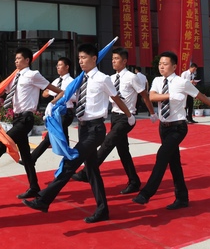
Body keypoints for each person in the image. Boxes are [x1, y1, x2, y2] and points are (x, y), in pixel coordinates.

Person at [22, 43, 135, 223]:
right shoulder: (80, 80)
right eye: (79, 58)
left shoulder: (103, 79)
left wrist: (129, 115)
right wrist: (52, 104)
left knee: (70, 163)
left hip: (95, 129)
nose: (80, 61)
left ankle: (43, 199)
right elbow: (67, 93)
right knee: (92, 171)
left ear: (94, 58)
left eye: (84, 58)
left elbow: (116, 98)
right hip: (83, 128)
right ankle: (103, 209)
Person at [0, 47, 62, 199]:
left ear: (27, 60)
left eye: (18, 58)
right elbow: (0, 91)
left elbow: (58, 91)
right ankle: (34, 187)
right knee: (26, 155)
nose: (15, 61)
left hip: (26, 119)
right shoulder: (14, 77)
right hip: (16, 119)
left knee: (1, 144)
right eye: (15, 59)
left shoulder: (33, 75)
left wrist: (52, 103)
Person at [132, 51, 210, 210]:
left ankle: (146, 193)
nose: (161, 67)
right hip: (163, 127)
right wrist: (170, 96)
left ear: (174, 66)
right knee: (174, 163)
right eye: (160, 64)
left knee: (162, 155)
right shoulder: (157, 80)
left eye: (165, 64)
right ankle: (182, 198)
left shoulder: (182, 82)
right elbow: (152, 97)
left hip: (178, 127)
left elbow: (198, 95)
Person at [71, 48, 156, 195]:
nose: (113, 61)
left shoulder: (132, 77)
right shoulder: (109, 78)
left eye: (116, 59)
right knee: (123, 151)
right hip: (115, 117)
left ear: (124, 61)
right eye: (112, 59)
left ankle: (86, 172)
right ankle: (134, 182)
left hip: (126, 118)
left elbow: (144, 95)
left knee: (107, 142)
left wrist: (152, 113)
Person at [28, 57, 75, 165]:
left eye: (60, 65)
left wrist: (57, 94)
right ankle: (70, 162)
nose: (57, 67)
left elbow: (72, 97)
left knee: (51, 135)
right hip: (55, 112)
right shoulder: (56, 81)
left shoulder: (71, 81)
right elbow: (45, 93)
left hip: (65, 112)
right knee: (63, 136)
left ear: (67, 67)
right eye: (57, 65)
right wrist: (58, 93)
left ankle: (32, 158)